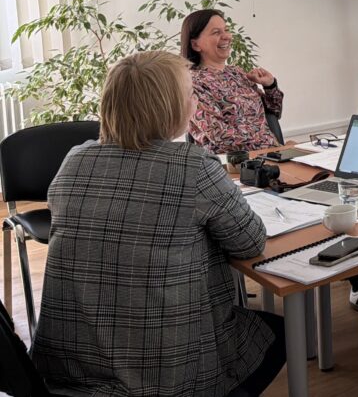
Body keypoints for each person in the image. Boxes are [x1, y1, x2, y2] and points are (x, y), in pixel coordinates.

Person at [31, 51, 285, 396]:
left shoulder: (75, 159)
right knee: (276, 332)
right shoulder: (194, 166)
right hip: (166, 374)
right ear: (169, 107)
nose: (196, 102)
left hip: (68, 366)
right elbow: (250, 243)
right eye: (190, 94)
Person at [181, 9, 284, 154]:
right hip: (234, 163)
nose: (227, 36)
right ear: (195, 45)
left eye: (226, 30)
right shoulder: (192, 83)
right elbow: (222, 136)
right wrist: (273, 147)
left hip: (270, 155)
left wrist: (270, 85)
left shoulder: (237, 73)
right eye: (216, 32)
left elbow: (274, 113)